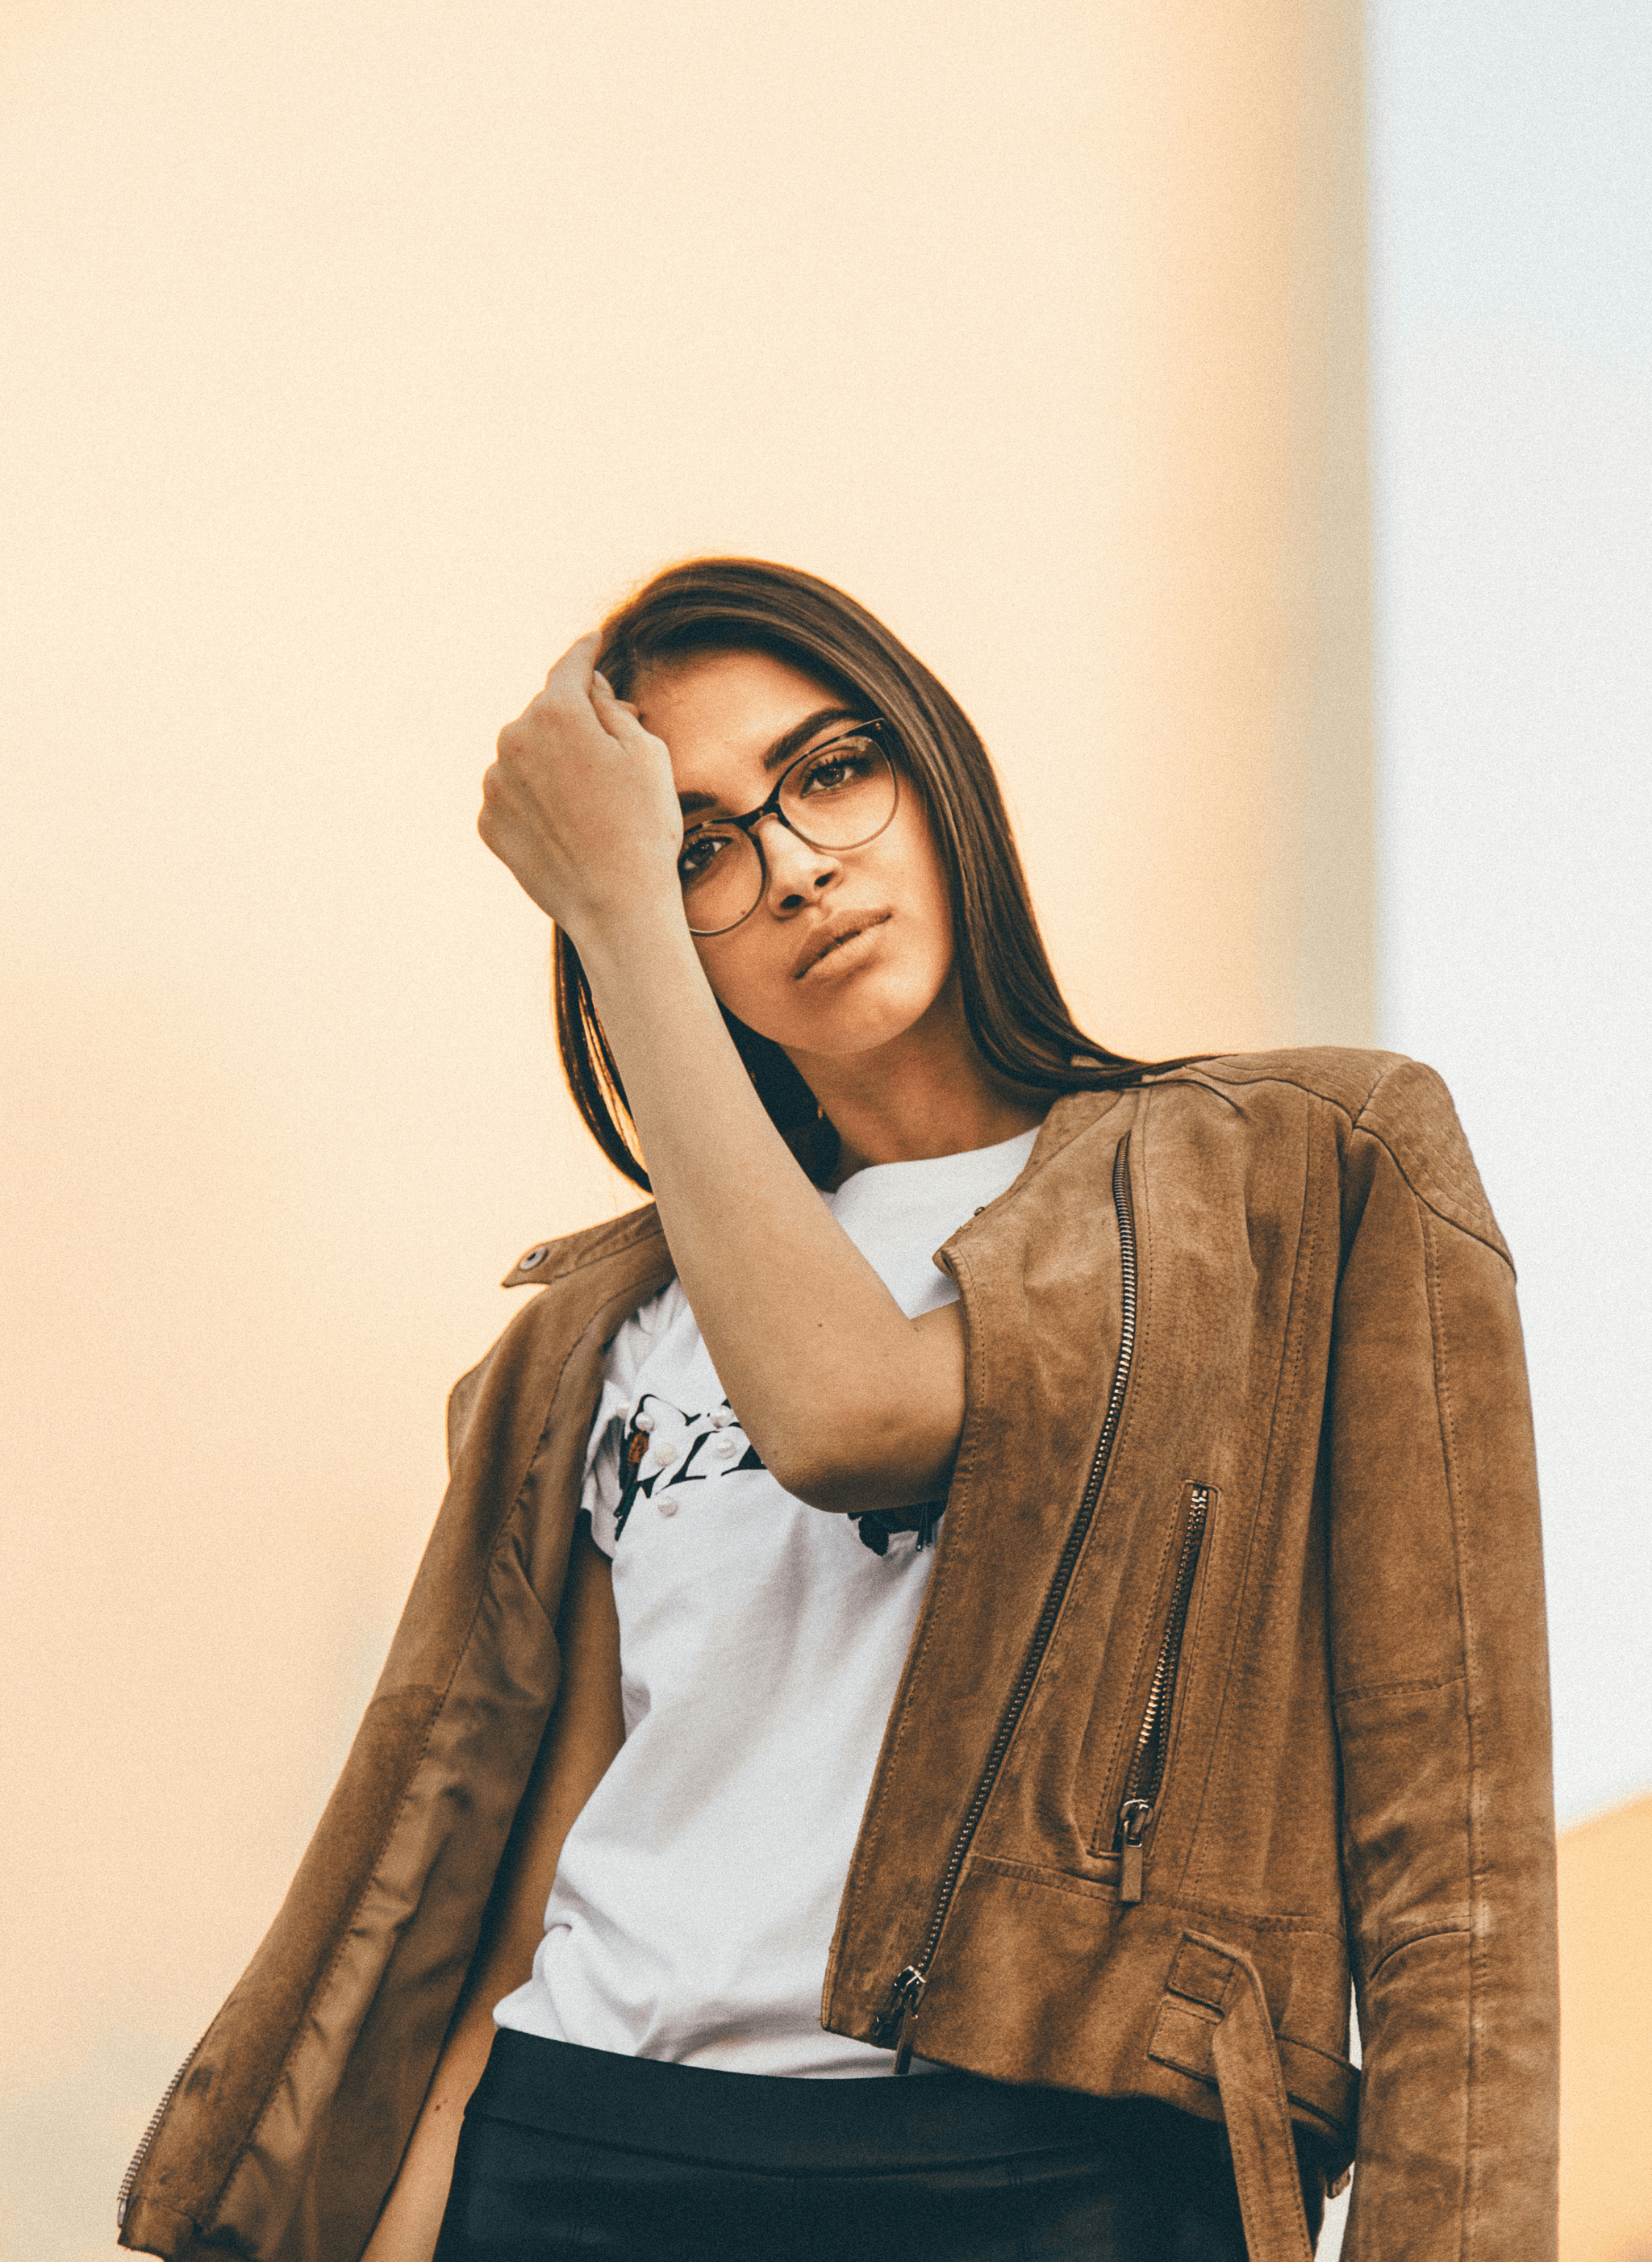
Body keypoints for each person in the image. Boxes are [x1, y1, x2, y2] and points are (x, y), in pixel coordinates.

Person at [116, 559, 1558, 2262]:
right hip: (577, 2138)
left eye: (830, 769)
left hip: (1046, 2179)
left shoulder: (1289, 1177)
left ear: (933, 772)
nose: (794, 867)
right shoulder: (603, 1328)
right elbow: (536, 1886)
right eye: (696, 848)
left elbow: (1452, 1869)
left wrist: (614, 909)